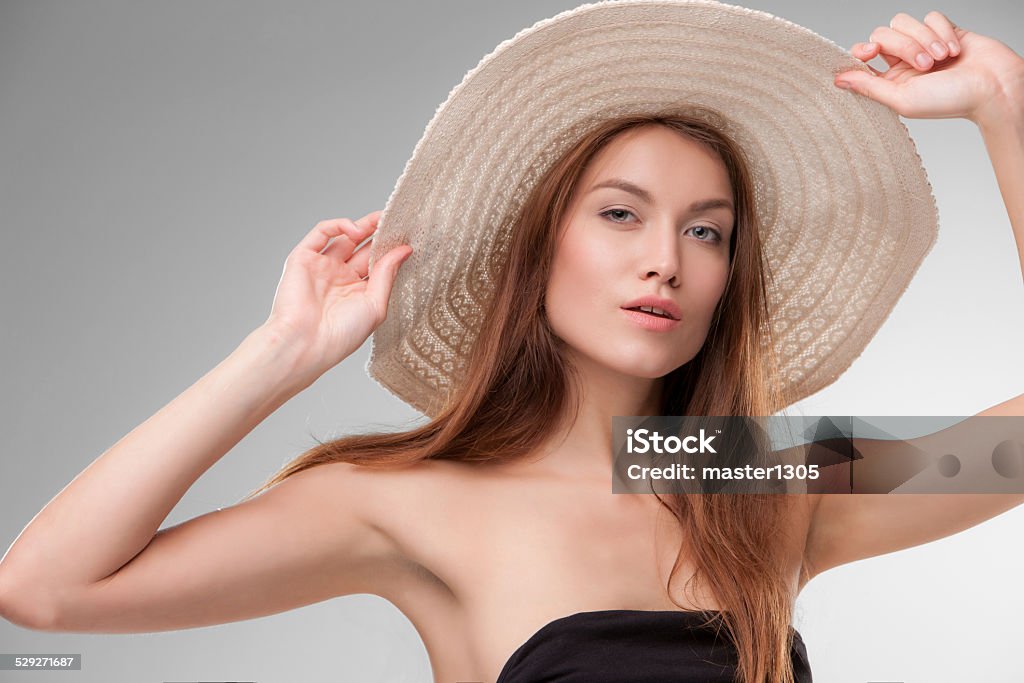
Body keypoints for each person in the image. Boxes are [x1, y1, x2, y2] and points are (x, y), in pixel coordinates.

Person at [1, 2, 1023, 682]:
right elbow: (47, 587)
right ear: (535, 256)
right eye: (620, 215)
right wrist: (278, 353)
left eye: (704, 229)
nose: (665, 259)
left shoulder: (748, 487)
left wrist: (1003, 111)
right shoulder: (411, 500)